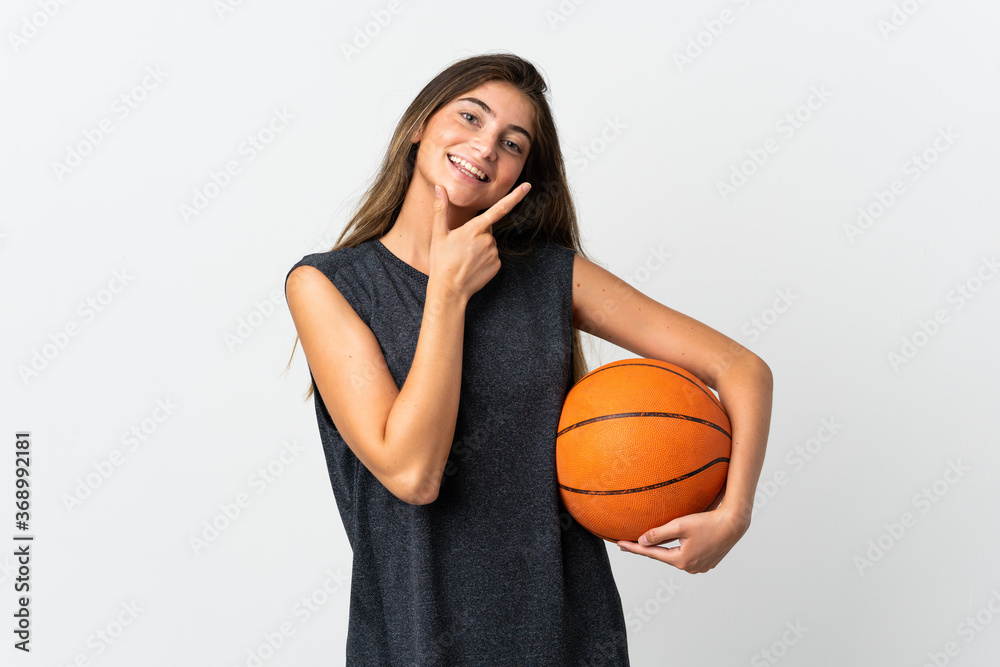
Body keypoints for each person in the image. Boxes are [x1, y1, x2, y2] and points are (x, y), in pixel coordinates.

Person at [284, 52, 772, 666]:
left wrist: (733, 515)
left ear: (522, 174)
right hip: (415, 644)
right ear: (419, 126)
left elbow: (740, 368)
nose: (485, 147)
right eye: (470, 117)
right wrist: (448, 293)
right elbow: (413, 475)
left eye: (512, 143)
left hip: (568, 640)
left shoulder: (551, 276)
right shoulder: (328, 286)